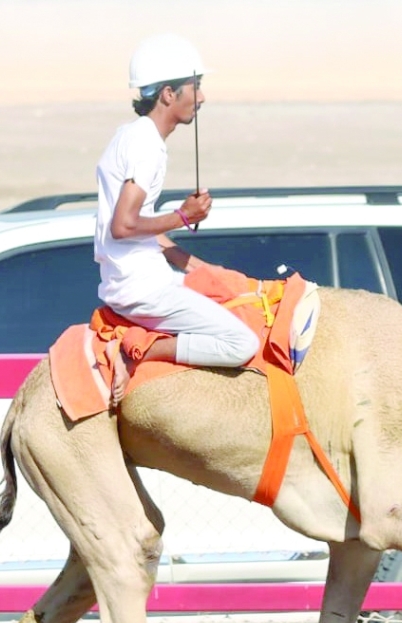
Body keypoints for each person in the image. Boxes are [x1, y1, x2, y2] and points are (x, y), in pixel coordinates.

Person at [95, 34, 258, 405]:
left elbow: (136, 224)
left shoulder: (131, 136)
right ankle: (137, 351)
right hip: (142, 289)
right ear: (168, 94)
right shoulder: (146, 146)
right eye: (194, 87)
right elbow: (122, 226)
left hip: (138, 280)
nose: (201, 97)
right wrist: (185, 215)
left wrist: (192, 263)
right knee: (241, 343)